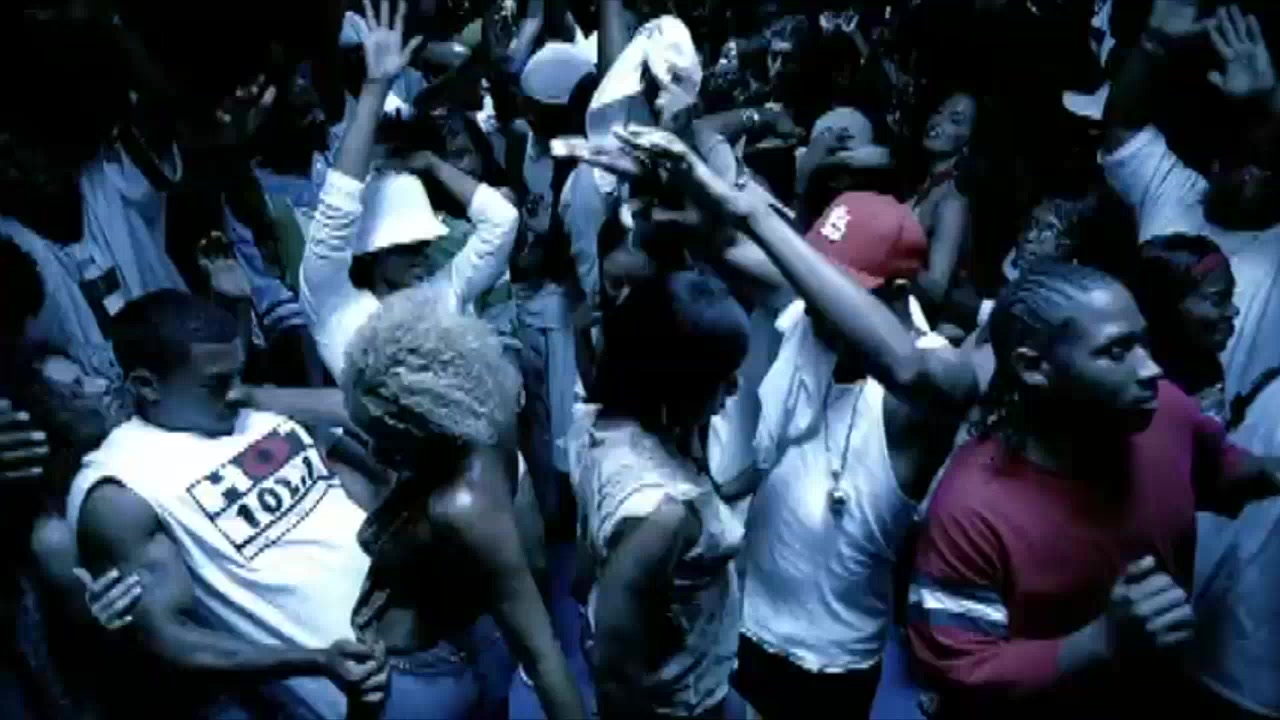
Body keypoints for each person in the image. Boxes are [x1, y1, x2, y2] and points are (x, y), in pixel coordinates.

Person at [907, 262, 1280, 718]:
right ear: (1033, 366)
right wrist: (1100, 640)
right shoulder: (971, 508)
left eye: (1143, 343)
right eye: (1116, 352)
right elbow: (959, 670)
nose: (1151, 369)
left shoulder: (1166, 411)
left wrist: (1267, 472)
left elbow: (1217, 468)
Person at [67, 290, 384, 719]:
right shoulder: (122, 488)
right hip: (353, 685)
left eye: (239, 374)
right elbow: (169, 635)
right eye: (217, 383)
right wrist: (315, 660)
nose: (236, 393)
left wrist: (260, 395)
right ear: (147, 385)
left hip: (430, 633)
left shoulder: (256, 412)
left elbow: (373, 421)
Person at [342, 286, 586, 720]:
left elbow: (543, 655)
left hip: (421, 680)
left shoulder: (463, 507)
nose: (377, 453)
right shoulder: (485, 419)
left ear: (422, 424)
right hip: (472, 646)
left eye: (387, 439)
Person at [566, 268, 751, 719]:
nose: (735, 387)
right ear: (678, 382)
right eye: (722, 375)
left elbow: (584, 575)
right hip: (680, 701)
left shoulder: (600, 424)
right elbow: (613, 671)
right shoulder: (664, 515)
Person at [301, 0, 519, 379]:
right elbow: (338, 206)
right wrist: (375, 89)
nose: (420, 258)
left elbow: (503, 220)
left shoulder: (442, 294)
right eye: (405, 248)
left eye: (422, 245)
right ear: (373, 254)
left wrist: (433, 164)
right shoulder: (337, 308)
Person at [1102, 1, 1280, 404]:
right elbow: (1122, 125)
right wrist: (1153, 44)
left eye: (1266, 166)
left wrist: (1272, 99)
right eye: (1240, 160)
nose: (1249, 175)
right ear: (1213, 164)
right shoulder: (1176, 193)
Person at [1127, 233, 1237, 420]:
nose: (1234, 310)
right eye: (1218, 300)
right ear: (1168, 308)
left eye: (1231, 296)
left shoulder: (1205, 367)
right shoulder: (1136, 397)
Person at [911, 92, 978, 315]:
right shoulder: (927, 185)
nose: (938, 121)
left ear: (969, 141)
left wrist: (889, 258)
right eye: (938, 112)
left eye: (955, 120)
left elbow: (936, 286)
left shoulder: (951, 201)